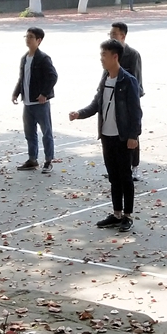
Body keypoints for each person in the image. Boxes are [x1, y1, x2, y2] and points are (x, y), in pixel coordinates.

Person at [70, 39, 141, 233]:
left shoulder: (128, 80)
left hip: (123, 137)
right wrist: (80, 114)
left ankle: (127, 215)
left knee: (125, 177)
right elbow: (96, 104)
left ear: (114, 56)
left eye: (104, 55)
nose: (101, 58)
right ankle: (116, 214)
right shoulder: (105, 77)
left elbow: (136, 111)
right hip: (107, 136)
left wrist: (133, 135)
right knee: (113, 177)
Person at [11, 26, 58, 174]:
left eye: (31, 37)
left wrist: (44, 93)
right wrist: (16, 93)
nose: (28, 39)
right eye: (26, 36)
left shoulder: (43, 58)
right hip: (27, 103)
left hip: (40, 103)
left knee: (46, 132)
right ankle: (32, 159)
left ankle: (48, 160)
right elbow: (22, 78)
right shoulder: (25, 58)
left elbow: (53, 76)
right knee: (30, 133)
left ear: (39, 40)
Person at [109, 22, 143, 179]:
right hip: (112, 99)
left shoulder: (132, 54)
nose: (111, 37)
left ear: (123, 36)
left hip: (128, 100)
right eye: (110, 34)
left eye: (114, 34)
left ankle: (134, 166)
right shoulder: (110, 54)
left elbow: (135, 79)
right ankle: (117, 165)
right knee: (116, 134)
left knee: (132, 133)